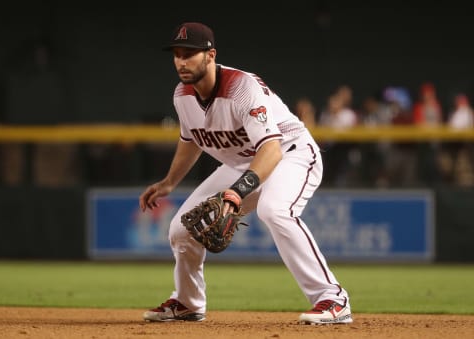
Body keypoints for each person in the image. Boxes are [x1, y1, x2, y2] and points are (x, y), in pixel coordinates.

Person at [139, 22, 352, 325]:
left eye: (190, 54)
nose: (181, 61)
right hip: (243, 164)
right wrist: (169, 182)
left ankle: (332, 298)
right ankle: (187, 302)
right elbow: (191, 139)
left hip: (291, 153)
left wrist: (238, 191)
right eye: (177, 54)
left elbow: (272, 151)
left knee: (274, 210)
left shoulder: (241, 88)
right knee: (181, 230)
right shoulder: (182, 94)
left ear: (210, 55)